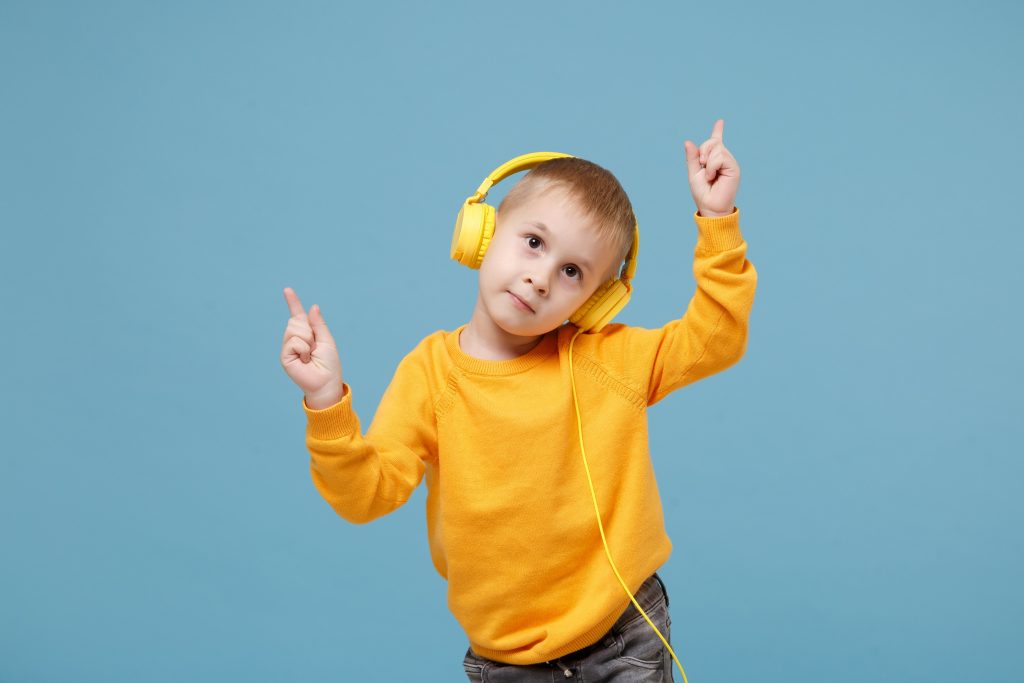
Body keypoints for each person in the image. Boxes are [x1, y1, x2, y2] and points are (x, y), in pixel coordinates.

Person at [279, 119, 757, 682]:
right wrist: (326, 400)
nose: (539, 279)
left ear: (596, 302)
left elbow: (717, 337)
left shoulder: (609, 358)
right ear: (482, 232)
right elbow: (365, 497)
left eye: (572, 272)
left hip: (623, 631)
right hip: (507, 659)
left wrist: (718, 222)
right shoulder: (431, 375)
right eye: (533, 243)